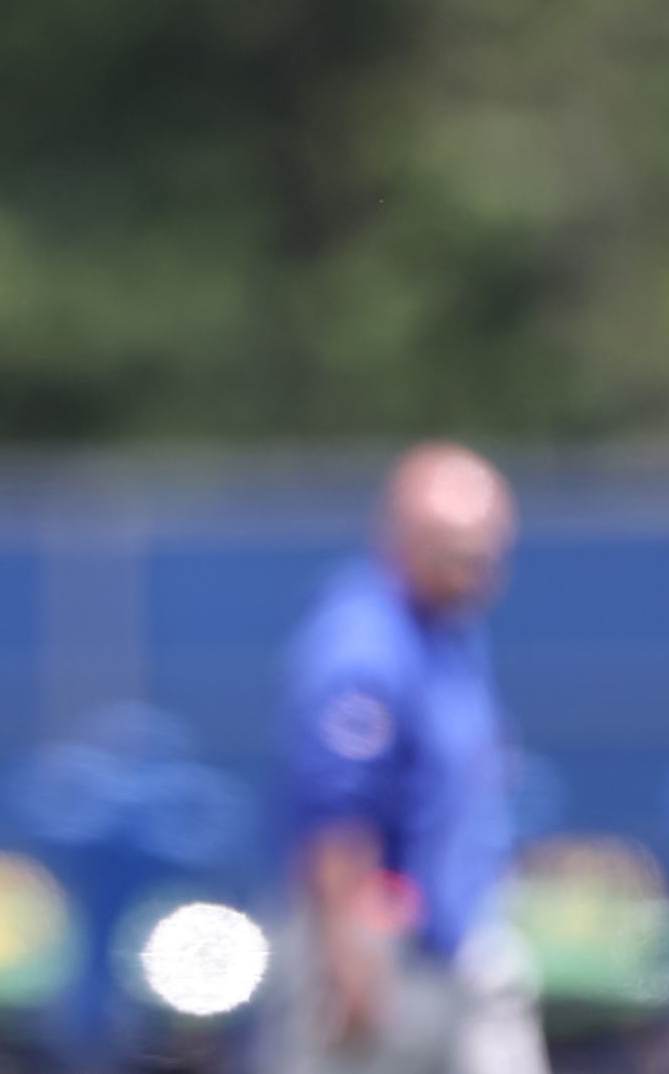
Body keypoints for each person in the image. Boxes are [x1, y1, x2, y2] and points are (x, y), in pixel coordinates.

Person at [263, 442, 548, 1074]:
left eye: (487, 552)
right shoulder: (364, 645)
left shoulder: (447, 630)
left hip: (453, 947)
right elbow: (338, 812)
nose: (478, 570)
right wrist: (347, 957)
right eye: (457, 554)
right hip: (382, 956)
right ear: (404, 538)